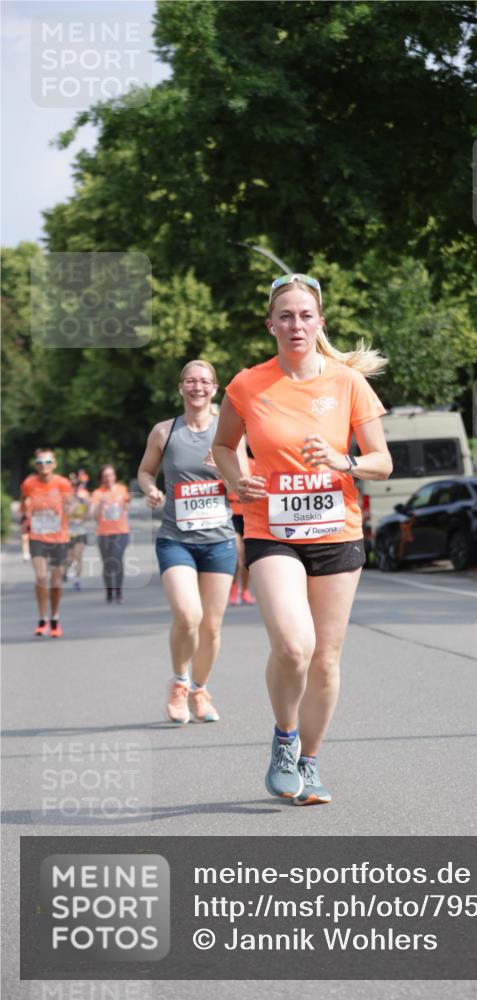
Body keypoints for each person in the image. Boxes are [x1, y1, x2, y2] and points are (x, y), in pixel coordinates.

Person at [213, 273, 392, 805]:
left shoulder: (347, 383)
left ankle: (310, 764)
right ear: (271, 324)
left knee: (326, 658)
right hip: (272, 530)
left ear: (320, 323)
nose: (296, 324)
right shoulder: (247, 384)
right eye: (285, 316)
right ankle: (284, 741)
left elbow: (382, 461)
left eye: (305, 315)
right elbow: (225, 446)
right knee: (294, 646)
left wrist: (344, 461)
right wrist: (233, 477)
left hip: (337, 529)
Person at [138, 360, 243, 725]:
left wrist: (223, 470)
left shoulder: (229, 433)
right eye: (190, 381)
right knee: (188, 615)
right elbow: (145, 471)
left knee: (211, 626)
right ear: (181, 387)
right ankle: (180, 683)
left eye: (204, 381)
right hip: (175, 539)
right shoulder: (164, 431)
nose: (197, 387)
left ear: (215, 388)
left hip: (219, 541)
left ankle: (200, 689)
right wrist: (150, 489)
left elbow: (242, 488)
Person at [20, 448, 74, 637]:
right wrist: (23, 524)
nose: (45, 465)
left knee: (56, 581)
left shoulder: (63, 483)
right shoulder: (29, 484)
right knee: (42, 577)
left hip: (59, 538)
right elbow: (23, 505)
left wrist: (70, 506)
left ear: (55, 464)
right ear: (36, 465)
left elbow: (72, 507)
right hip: (37, 537)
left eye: (48, 462)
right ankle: (42, 618)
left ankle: (55, 617)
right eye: (41, 462)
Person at [90, 466, 130, 604]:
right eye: (105, 476)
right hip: (103, 533)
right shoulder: (97, 493)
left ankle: (118, 591)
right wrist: (100, 506)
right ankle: (109, 590)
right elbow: (93, 516)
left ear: (114, 476)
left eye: (110, 475)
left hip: (121, 531)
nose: (108, 478)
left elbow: (126, 507)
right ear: (101, 478)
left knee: (117, 560)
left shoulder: (122, 489)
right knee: (107, 564)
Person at [227, 444, 256, 606]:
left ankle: (245, 590)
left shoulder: (253, 464)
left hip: (248, 515)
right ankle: (233, 588)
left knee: (246, 557)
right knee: (236, 556)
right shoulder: (223, 464)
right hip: (231, 515)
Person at [65, 471, 91, 590]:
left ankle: (77, 580)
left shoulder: (83, 501)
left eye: (77, 485)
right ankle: (66, 570)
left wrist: (83, 516)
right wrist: (71, 510)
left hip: (80, 532)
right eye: (73, 485)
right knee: (69, 558)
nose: (75, 488)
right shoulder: (65, 501)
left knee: (78, 555)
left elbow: (87, 517)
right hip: (67, 533)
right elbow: (63, 517)